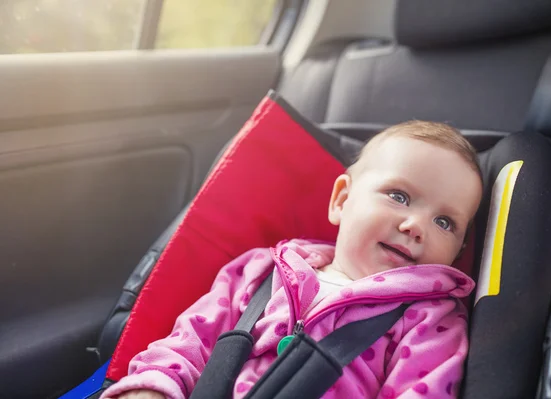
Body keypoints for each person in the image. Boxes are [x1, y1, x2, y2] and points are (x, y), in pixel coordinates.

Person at [102, 121, 483, 399]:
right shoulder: (260, 271)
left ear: (458, 250)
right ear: (342, 201)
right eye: (399, 196)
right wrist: (153, 388)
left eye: (444, 222)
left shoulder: (431, 321)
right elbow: (190, 342)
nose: (417, 226)